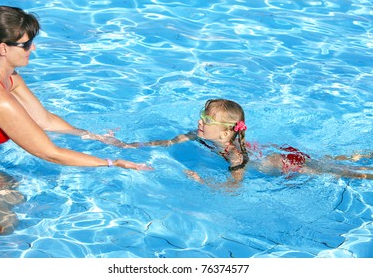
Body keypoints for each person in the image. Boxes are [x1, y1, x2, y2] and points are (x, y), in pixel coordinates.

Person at [0, 6, 151, 235]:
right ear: (3, 48)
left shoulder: (9, 78)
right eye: (25, 44)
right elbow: (49, 153)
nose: (32, 48)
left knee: (17, 195)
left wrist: (92, 136)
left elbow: (44, 120)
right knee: (5, 229)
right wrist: (112, 163)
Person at [85, 98, 373, 184]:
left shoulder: (235, 156)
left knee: (339, 171)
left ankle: (365, 170)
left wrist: (202, 182)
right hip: (283, 153)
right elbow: (163, 144)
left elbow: (232, 188)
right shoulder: (195, 135)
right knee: (335, 161)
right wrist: (122, 145)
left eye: (206, 120)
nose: (200, 121)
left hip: (285, 164)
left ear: (224, 134)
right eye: (201, 115)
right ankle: (364, 155)